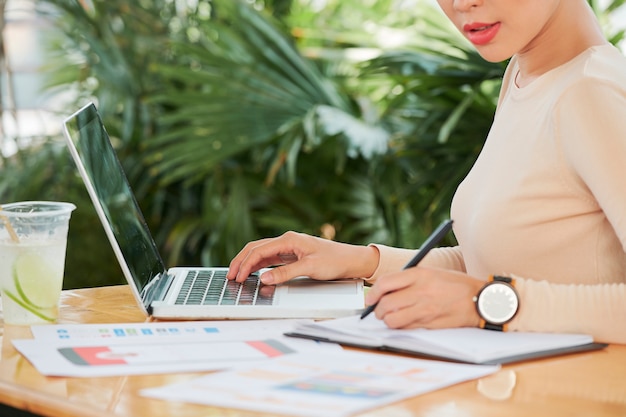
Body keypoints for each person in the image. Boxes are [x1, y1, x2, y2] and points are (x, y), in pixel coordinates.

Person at [227, 0, 626, 344]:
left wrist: (482, 303)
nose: (461, 4)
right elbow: (504, 265)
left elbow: (488, 290)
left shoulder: (590, 91)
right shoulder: (528, 76)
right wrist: (359, 261)